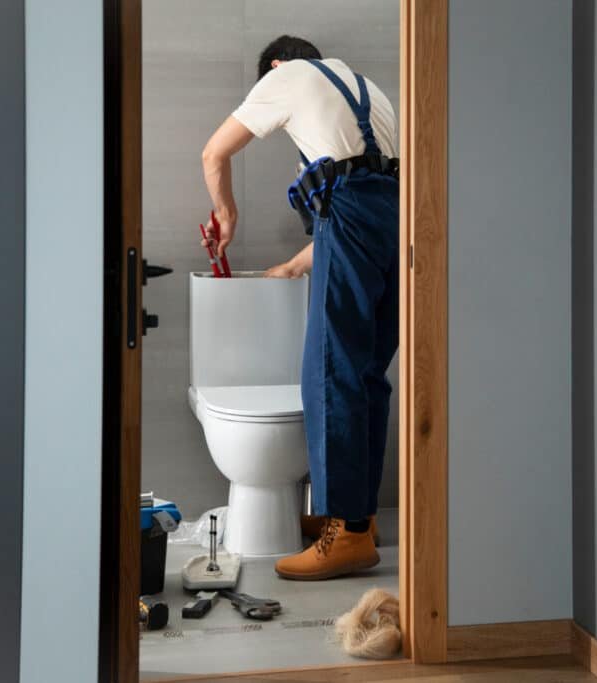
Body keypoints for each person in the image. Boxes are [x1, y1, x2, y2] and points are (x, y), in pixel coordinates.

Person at [199, 36, 399, 581]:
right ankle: (358, 520)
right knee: (366, 376)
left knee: (329, 373)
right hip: (396, 220)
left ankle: (344, 533)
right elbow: (362, 195)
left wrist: (226, 212)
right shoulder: (369, 92)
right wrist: (293, 266)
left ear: (276, 67)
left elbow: (214, 152)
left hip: (356, 220)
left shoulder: (286, 76)